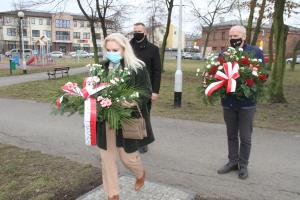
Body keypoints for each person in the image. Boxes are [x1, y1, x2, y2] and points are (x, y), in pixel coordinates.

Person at [96, 33, 155, 200]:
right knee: (107, 160)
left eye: (115, 50)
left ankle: (140, 173)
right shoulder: (102, 67)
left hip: (127, 119)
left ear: (124, 49)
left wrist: (127, 101)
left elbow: (145, 92)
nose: (111, 53)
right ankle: (112, 195)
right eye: (108, 50)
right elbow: (95, 90)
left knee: (129, 158)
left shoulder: (138, 68)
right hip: (105, 119)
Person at [217, 25, 264, 179]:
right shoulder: (224, 53)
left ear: (244, 37)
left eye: (236, 36)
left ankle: (243, 165)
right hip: (228, 102)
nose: (232, 39)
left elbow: (262, 75)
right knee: (231, 134)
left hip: (246, 103)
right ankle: (232, 162)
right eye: (230, 36)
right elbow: (217, 74)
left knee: (245, 136)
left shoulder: (255, 52)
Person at [130, 22, 161, 153]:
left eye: (139, 31)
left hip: (145, 89)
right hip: (129, 86)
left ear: (145, 33)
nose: (137, 33)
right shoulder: (128, 46)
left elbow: (157, 71)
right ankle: (131, 139)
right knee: (130, 114)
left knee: (143, 115)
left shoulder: (153, 49)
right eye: (135, 31)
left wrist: (155, 91)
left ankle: (143, 141)